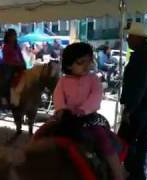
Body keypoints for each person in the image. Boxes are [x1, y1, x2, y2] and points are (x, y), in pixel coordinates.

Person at [53, 42, 123, 180]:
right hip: (67, 117)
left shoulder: (93, 79)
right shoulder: (63, 81)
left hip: (88, 117)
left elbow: (96, 97)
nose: (86, 65)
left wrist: (83, 110)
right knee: (44, 132)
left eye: (88, 61)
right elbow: (58, 95)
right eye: (81, 62)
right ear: (68, 65)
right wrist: (60, 109)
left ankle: (117, 174)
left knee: (103, 139)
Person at [117, 22, 147, 180]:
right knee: (142, 142)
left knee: (126, 141)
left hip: (140, 106)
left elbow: (139, 85)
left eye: (130, 36)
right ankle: (138, 175)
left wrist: (129, 110)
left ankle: (133, 174)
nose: (127, 39)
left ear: (138, 37)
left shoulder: (141, 55)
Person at [0, 29, 26, 105]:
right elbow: (6, 59)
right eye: (13, 35)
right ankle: (3, 97)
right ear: (9, 37)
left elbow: (21, 56)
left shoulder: (17, 47)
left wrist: (23, 63)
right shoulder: (6, 46)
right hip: (7, 65)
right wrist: (16, 63)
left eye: (15, 35)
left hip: (18, 65)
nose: (14, 37)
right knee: (7, 78)